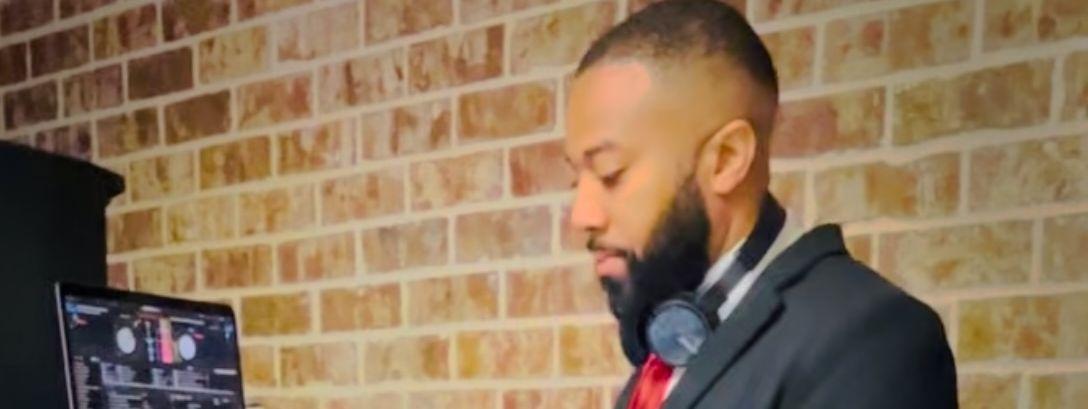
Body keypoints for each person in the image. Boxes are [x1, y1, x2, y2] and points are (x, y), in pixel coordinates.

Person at [562, 1, 958, 408]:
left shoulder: (873, 342)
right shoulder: (674, 343)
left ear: (727, 159)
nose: (581, 216)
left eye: (610, 173)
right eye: (577, 179)